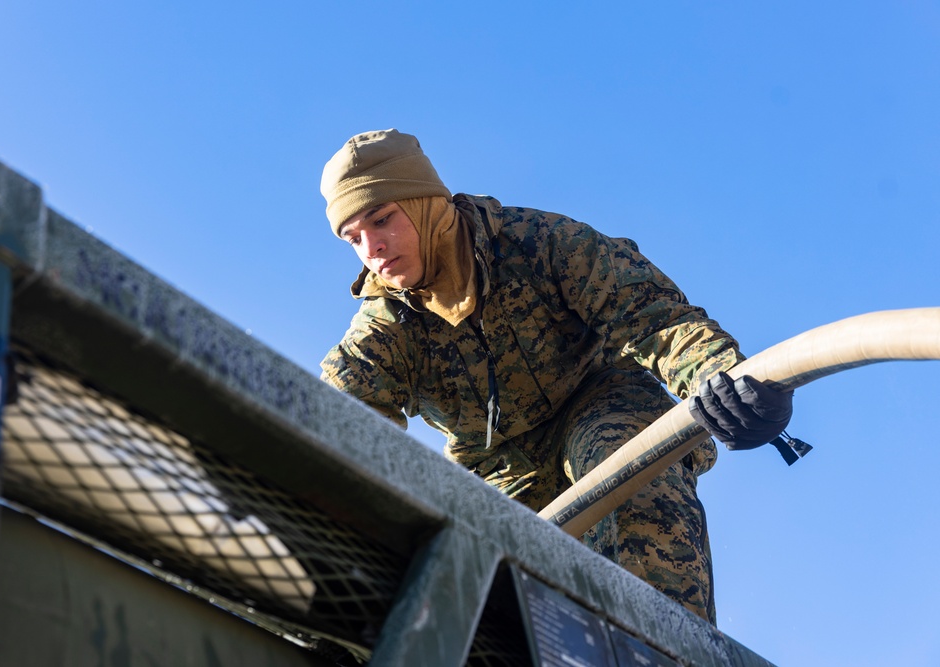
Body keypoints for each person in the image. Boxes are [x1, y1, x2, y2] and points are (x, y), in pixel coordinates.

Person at [318, 129, 793, 623]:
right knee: (465, 582)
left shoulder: (539, 244)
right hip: (497, 464)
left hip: (602, 401)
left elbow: (655, 318)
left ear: (424, 203)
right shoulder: (384, 331)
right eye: (353, 238)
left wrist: (727, 379)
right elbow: (343, 427)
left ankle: (659, 649)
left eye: (382, 219)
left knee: (625, 470)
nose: (372, 247)